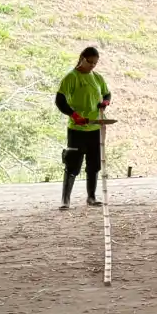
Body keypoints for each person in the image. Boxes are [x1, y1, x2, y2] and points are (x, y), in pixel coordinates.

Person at [55, 45, 114, 210]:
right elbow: (60, 101)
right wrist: (74, 115)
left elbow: (107, 93)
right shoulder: (71, 77)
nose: (92, 66)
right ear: (82, 58)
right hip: (77, 129)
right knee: (72, 163)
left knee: (94, 164)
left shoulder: (97, 77)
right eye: (90, 62)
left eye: (95, 63)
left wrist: (105, 102)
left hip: (95, 128)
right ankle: (65, 200)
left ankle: (91, 197)